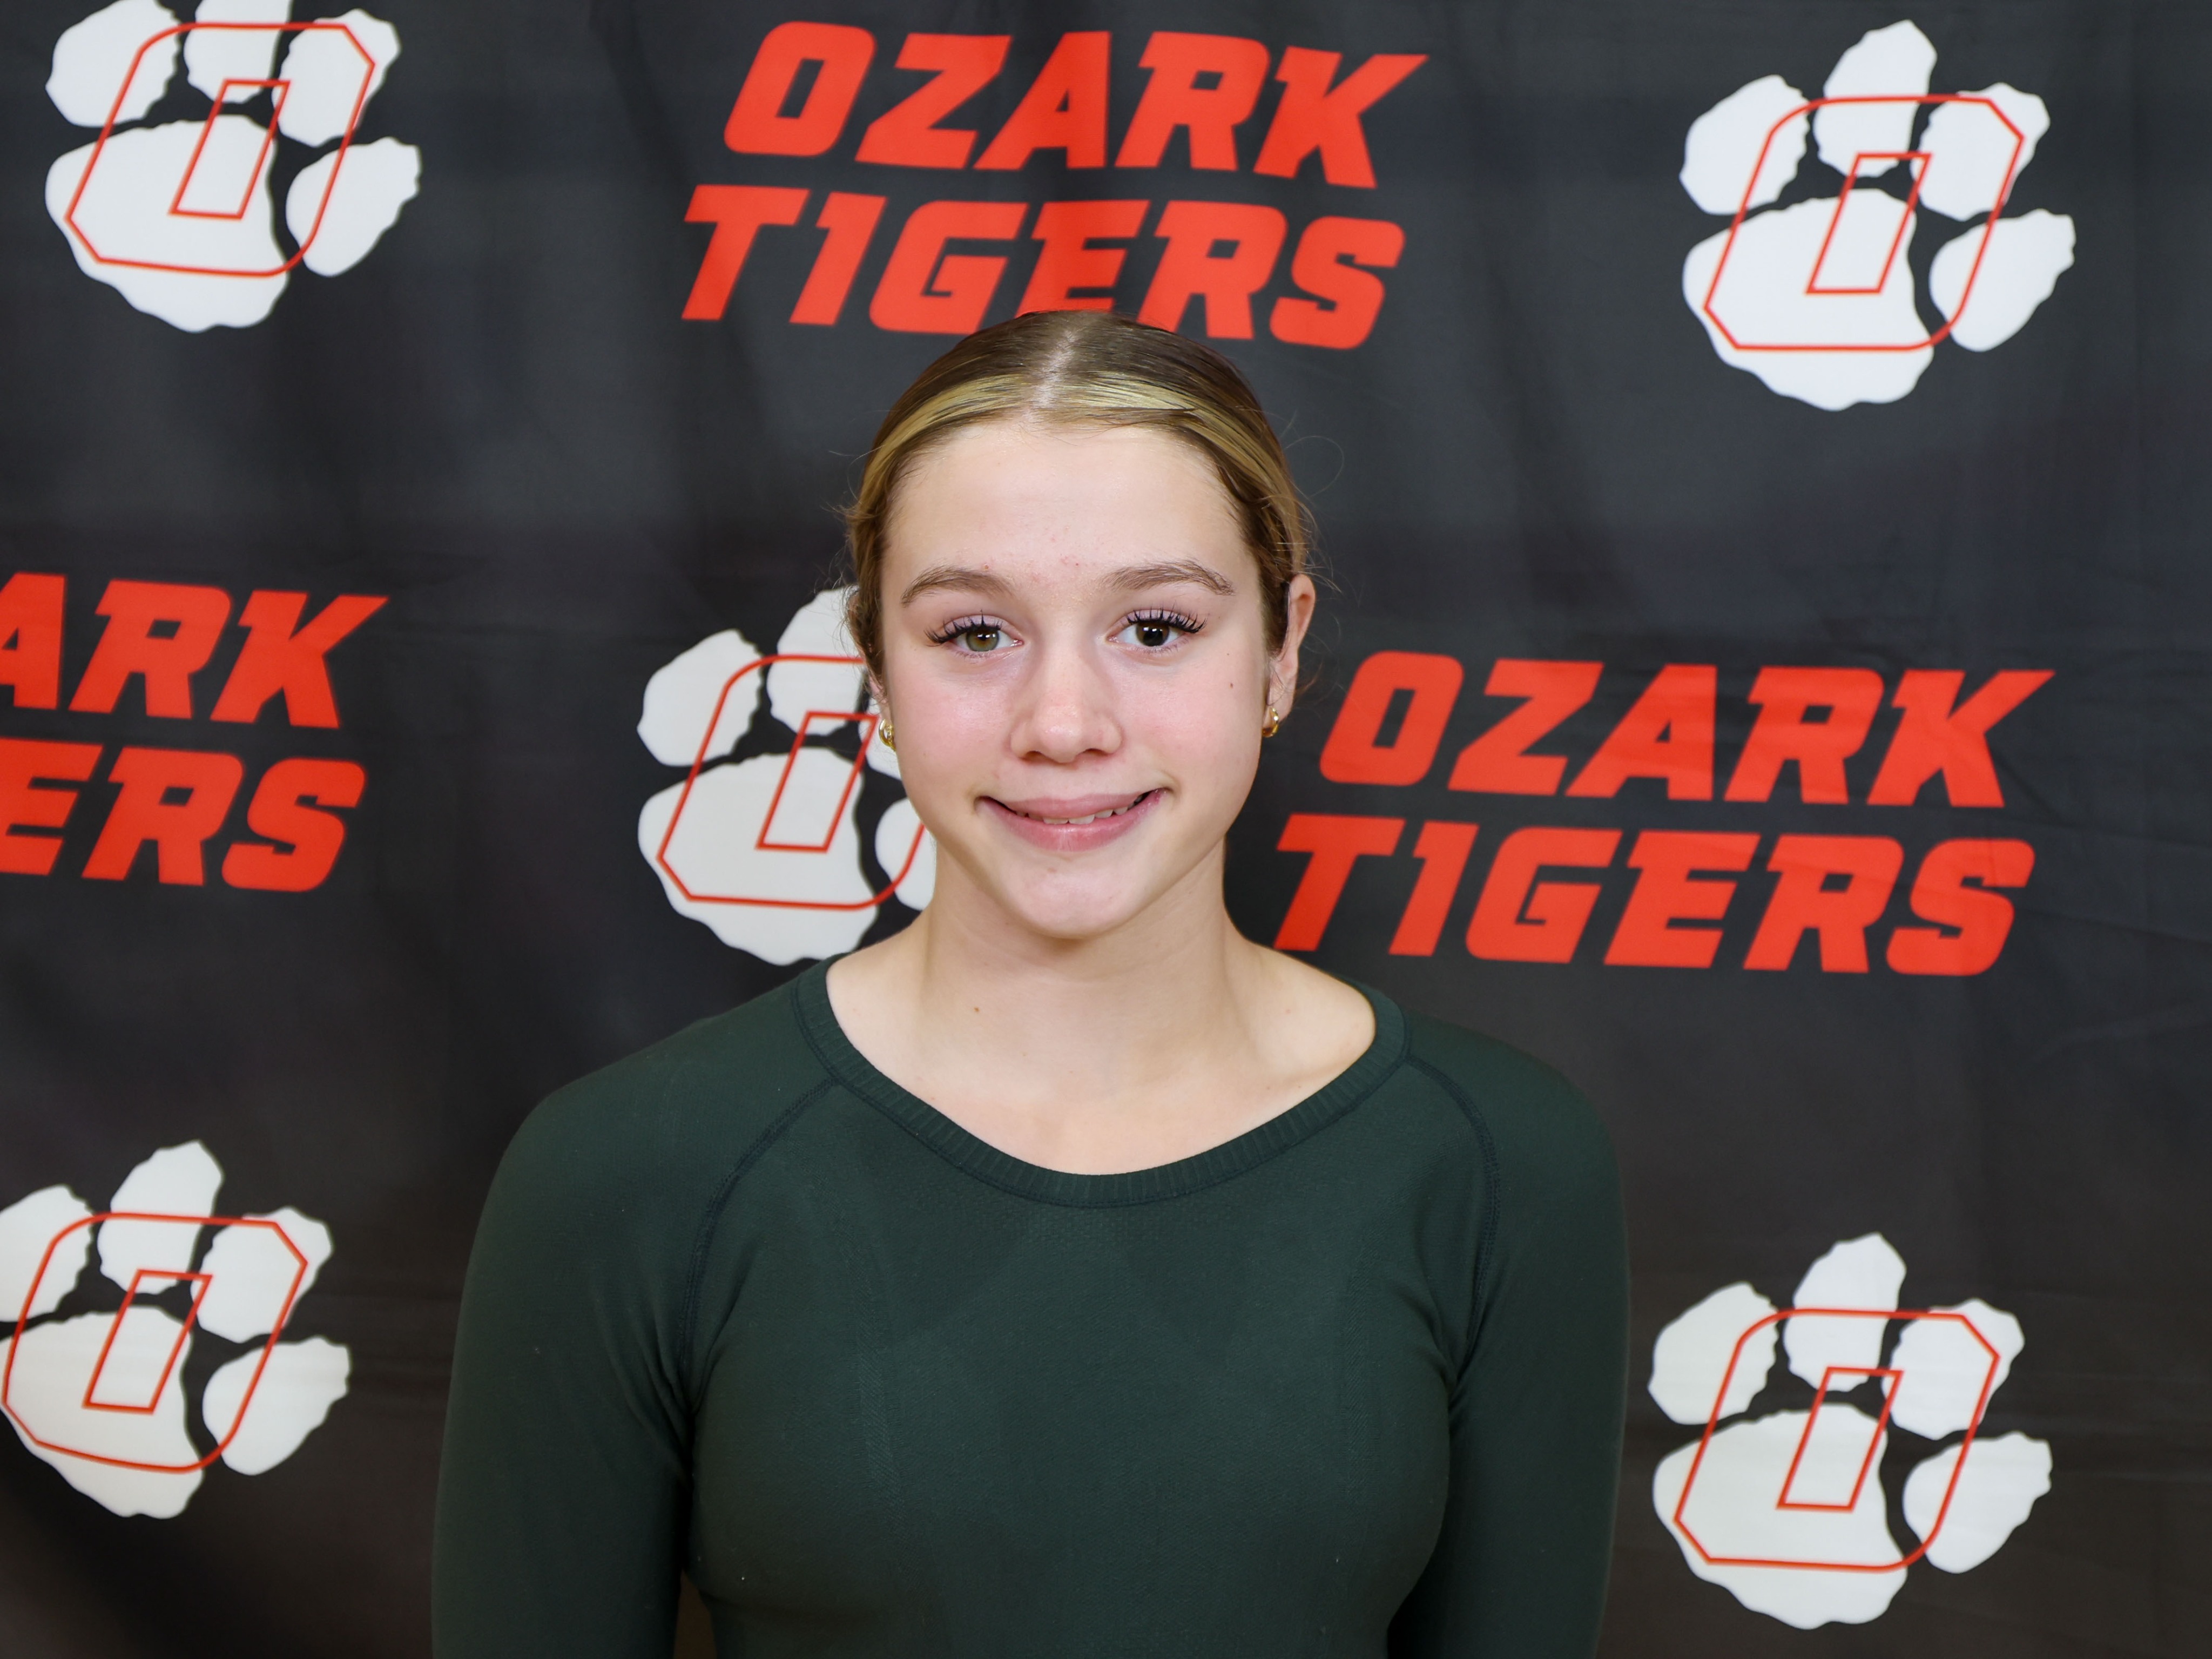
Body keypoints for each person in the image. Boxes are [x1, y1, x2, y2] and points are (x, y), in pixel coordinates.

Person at [433, 310, 1628, 1657]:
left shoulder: (1497, 1165)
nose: (1063, 724)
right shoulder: (625, 1172)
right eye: (973, 633)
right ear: (873, 665)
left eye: (1156, 627)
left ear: (1280, 647)